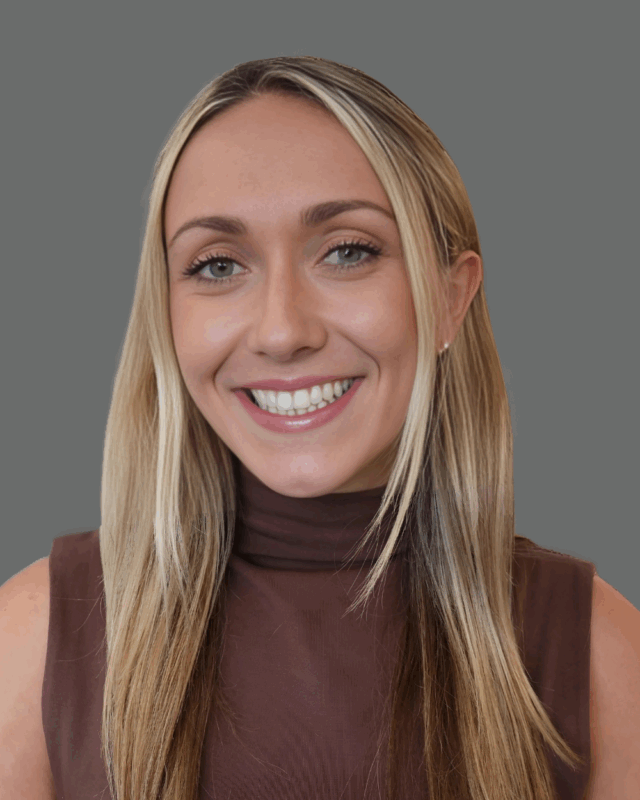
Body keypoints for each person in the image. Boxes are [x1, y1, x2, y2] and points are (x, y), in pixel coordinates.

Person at [0, 55, 638, 800]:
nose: (281, 331)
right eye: (216, 265)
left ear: (450, 297)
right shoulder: (37, 639)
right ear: (166, 317)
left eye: (347, 251)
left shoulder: (596, 650)